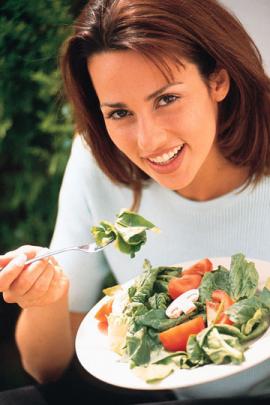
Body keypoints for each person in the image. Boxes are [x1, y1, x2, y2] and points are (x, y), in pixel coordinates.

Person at [1, 0, 270, 403]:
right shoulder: (96, 162)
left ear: (218, 80)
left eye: (166, 99)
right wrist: (45, 298)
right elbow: (45, 367)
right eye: (120, 113)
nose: (148, 142)